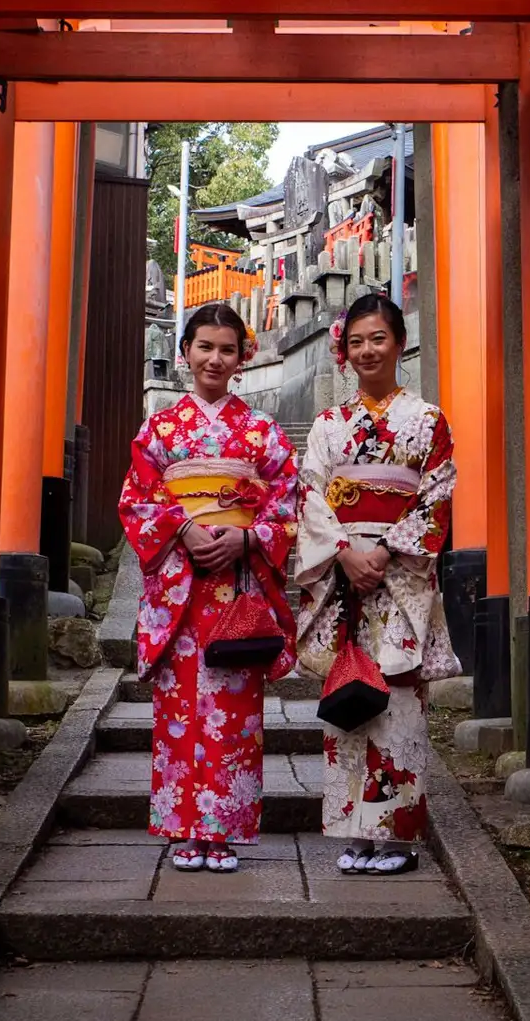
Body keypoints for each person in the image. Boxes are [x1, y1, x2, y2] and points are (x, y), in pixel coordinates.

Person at [118, 302, 299, 874]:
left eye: (227, 349)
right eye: (204, 347)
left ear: (243, 356)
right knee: (178, 709)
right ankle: (183, 829)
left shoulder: (263, 432)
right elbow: (138, 499)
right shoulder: (161, 429)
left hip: (236, 589)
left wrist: (249, 540)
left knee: (234, 709)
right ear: (185, 354)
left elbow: (289, 499)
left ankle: (223, 831)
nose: (215, 359)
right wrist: (185, 528)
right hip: (181, 589)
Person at [294, 292, 459, 876]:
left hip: (400, 574)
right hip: (345, 578)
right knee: (349, 695)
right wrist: (344, 553)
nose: (367, 350)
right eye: (357, 340)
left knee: (400, 701)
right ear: (345, 349)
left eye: (378, 338)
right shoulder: (327, 426)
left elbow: (437, 497)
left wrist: (384, 551)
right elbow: (309, 495)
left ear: (400, 343)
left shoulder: (428, 420)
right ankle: (353, 831)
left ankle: (396, 835)